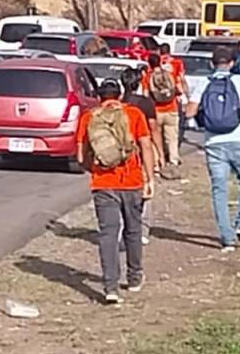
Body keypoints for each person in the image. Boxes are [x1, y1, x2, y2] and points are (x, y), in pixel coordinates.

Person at [76, 79, 155, 305]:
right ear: (119, 96)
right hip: (132, 181)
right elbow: (146, 146)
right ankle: (134, 277)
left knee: (108, 235)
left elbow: (81, 157)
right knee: (133, 230)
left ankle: (110, 286)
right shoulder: (134, 114)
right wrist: (149, 177)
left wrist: (95, 168)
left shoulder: (89, 117)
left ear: (100, 97)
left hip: (103, 183)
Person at [186, 46, 240, 250]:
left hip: (213, 143)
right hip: (239, 139)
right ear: (232, 63)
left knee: (219, 188)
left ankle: (227, 237)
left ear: (212, 63)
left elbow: (190, 112)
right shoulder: (239, 80)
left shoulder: (204, 83)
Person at [121, 67, 161, 244]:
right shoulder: (145, 103)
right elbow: (153, 129)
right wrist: (160, 153)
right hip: (142, 148)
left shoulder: (118, 101)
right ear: (139, 82)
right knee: (146, 190)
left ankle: (126, 228)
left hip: (121, 151)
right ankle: (143, 230)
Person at [142, 51, 185, 172]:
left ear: (149, 64)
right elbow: (179, 90)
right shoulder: (168, 74)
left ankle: (157, 162)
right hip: (171, 109)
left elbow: (145, 95)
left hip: (156, 111)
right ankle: (174, 160)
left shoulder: (147, 77)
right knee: (172, 137)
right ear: (160, 62)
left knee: (155, 138)